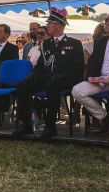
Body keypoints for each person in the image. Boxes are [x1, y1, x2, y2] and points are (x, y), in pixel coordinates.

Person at [12, 8, 84, 139]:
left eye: (49, 23)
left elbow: (78, 68)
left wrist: (62, 76)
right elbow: (40, 65)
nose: (47, 26)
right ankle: (26, 124)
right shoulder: (45, 44)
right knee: (22, 85)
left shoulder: (74, 43)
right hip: (46, 78)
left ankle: (50, 126)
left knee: (52, 85)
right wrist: (34, 77)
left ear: (57, 25)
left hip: (64, 80)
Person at [72, 12, 109, 141]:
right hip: (101, 79)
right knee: (77, 90)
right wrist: (90, 77)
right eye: (106, 20)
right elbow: (93, 61)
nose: (107, 23)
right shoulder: (100, 42)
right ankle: (105, 118)